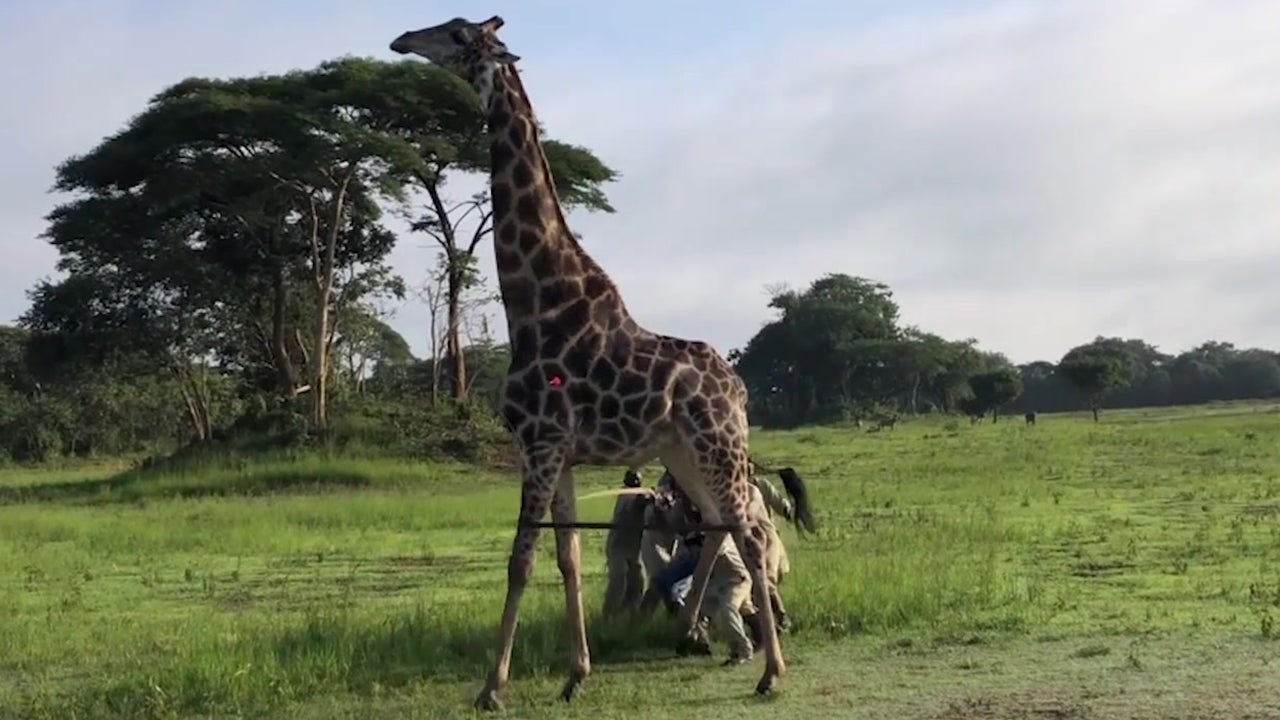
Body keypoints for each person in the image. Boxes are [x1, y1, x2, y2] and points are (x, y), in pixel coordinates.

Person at [602, 469, 649, 616]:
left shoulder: (636, 494)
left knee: (637, 584)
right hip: (618, 547)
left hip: (634, 548)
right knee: (618, 582)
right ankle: (609, 616)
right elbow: (640, 501)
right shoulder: (625, 495)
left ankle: (631, 617)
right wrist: (652, 497)